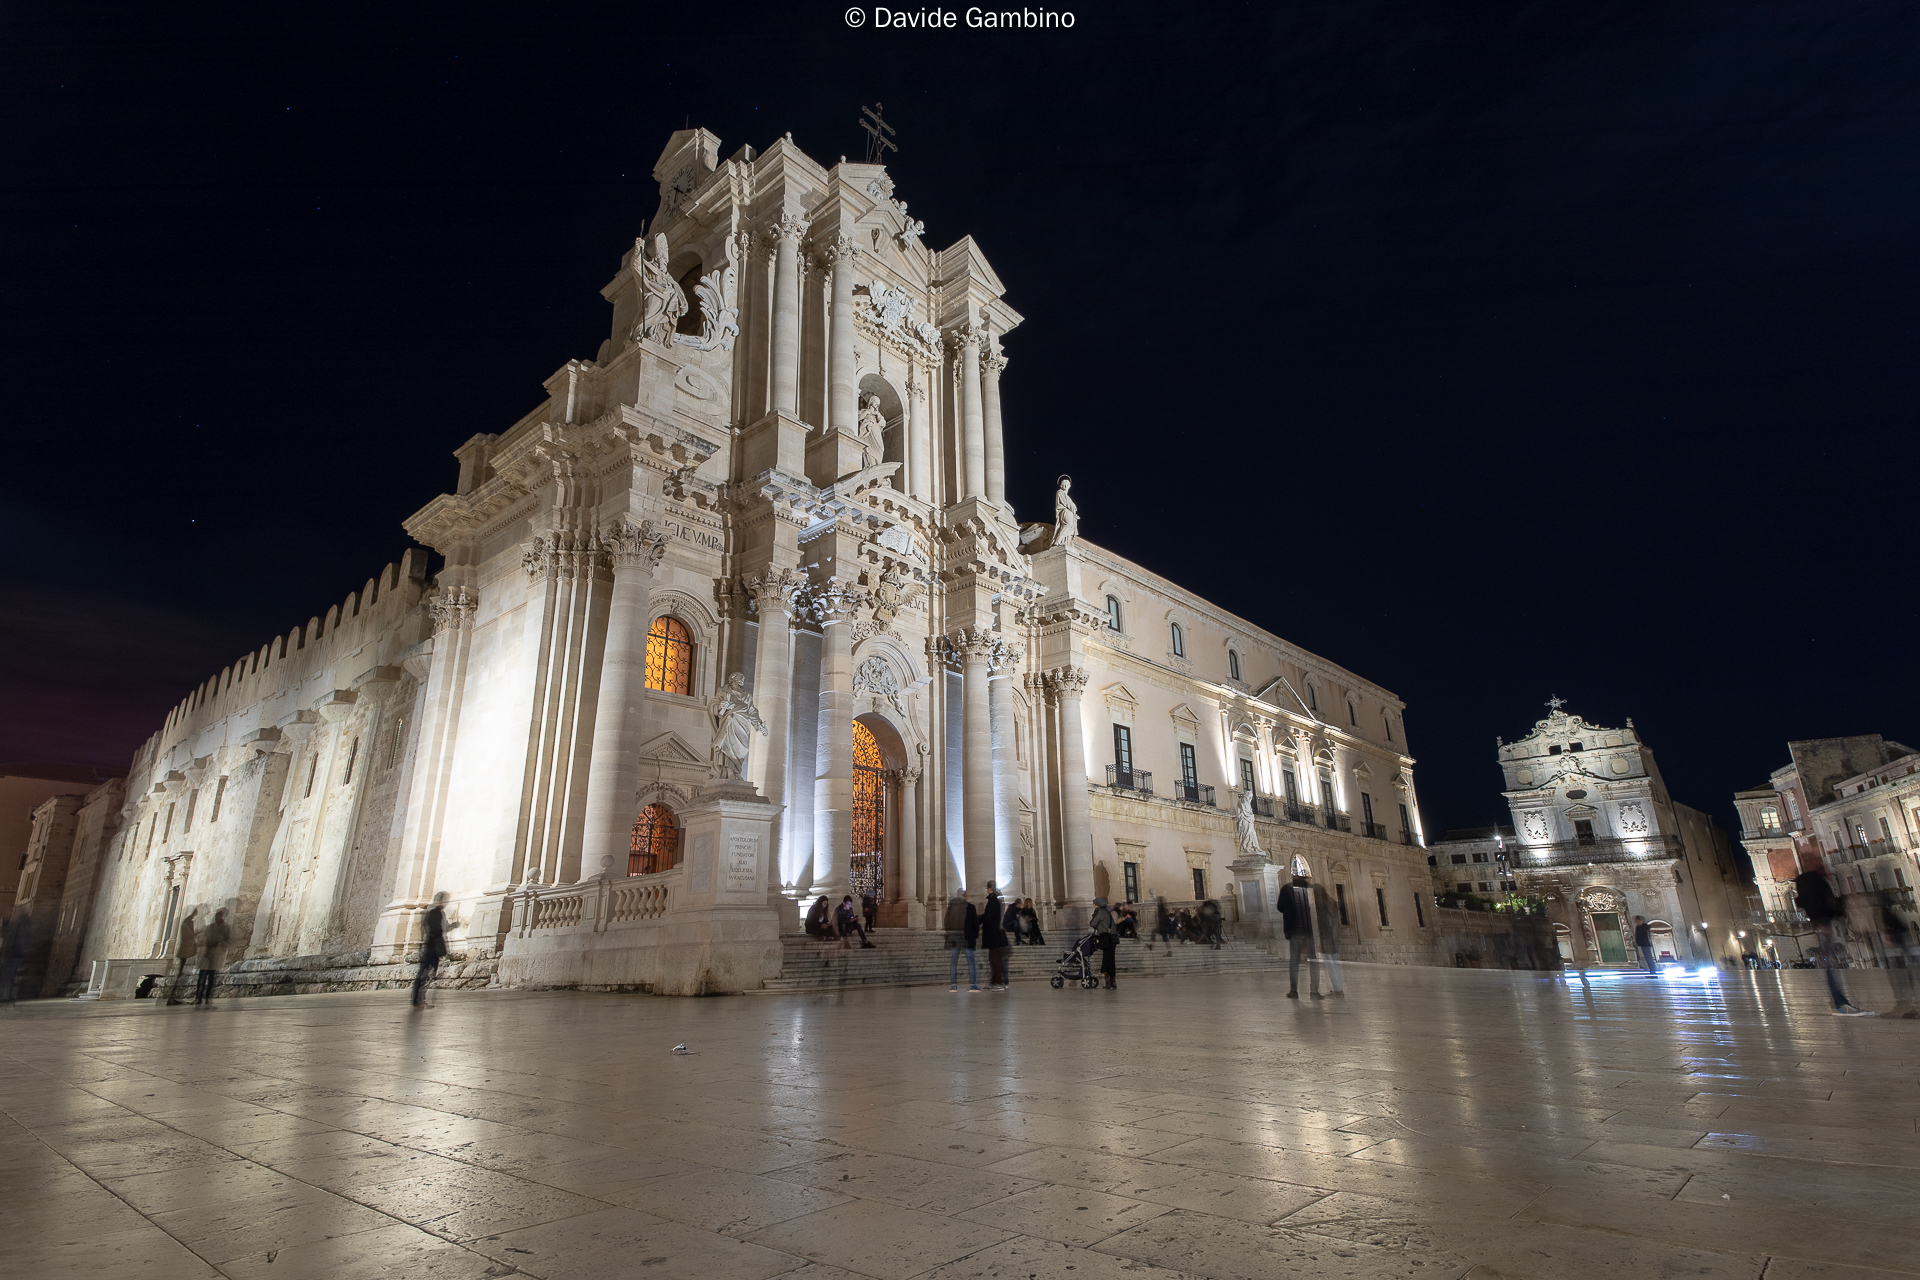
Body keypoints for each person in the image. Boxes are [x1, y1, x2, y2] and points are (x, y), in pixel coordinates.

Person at [1794, 866, 1870, 1015]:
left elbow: (1813, 901)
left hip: (1825, 921)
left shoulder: (1814, 880)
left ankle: (1841, 1003)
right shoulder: (1811, 880)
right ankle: (1840, 1004)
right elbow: (1811, 901)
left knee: (1833, 964)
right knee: (1831, 964)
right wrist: (1820, 921)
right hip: (1824, 923)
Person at [1875, 890, 1918, 1019]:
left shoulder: (1887, 913)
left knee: (1902, 977)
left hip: (1899, 955)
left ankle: (1906, 1005)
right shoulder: (1888, 912)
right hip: (1902, 954)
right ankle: (1909, 1006)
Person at [1278, 872, 1320, 999]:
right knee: (1313, 961)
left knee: (1294, 961)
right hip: (1307, 931)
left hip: (1294, 931)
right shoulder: (1308, 890)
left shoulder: (1286, 889)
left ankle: (1294, 990)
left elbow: (1280, 907)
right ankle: (1314, 991)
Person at [412, 891, 450, 1009]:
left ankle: (418, 1000)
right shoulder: (436, 913)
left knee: (425, 973)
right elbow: (436, 930)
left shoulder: (431, 912)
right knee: (426, 973)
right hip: (432, 947)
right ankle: (418, 1000)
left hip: (430, 946)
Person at [1311, 879, 1345, 997]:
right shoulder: (1333, 903)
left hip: (1326, 939)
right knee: (1335, 964)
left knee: (1330, 965)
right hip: (1335, 938)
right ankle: (1339, 989)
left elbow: (1322, 923)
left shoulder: (1321, 907)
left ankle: (1338, 990)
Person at [194, 907, 231, 1006]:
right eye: (217, 915)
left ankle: (207, 997)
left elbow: (227, 941)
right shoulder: (210, 927)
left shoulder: (226, 928)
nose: (217, 917)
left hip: (216, 955)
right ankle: (198, 997)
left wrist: (220, 944)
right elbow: (204, 939)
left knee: (211, 977)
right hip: (207, 954)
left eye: (220, 915)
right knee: (202, 977)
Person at [945, 892, 979, 992]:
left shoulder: (951, 907)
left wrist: (950, 934)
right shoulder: (970, 907)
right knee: (970, 962)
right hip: (967, 938)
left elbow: (946, 922)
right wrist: (975, 936)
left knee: (954, 962)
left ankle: (953, 986)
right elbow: (975, 923)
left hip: (954, 938)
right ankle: (972, 985)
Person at [167, 907, 199, 1005]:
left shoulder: (188, 921)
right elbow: (187, 935)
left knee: (180, 973)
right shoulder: (187, 922)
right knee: (179, 974)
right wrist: (197, 933)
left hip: (186, 950)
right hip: (185, 950)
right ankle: (172, 997)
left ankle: (173, 997)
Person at [0, 907, 32, 1007]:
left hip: (15, 954)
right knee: (10, 976)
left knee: (9, 976)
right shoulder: (20, 924)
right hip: (14, 954)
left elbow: (14, 939)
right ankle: (7, 996)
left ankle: (7, 996)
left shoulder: (21, 925)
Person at [982, 884, 1010, 988]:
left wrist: (978, 920)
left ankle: (998, 981)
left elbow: (988, 916)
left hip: (993, 934)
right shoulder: (995, 900)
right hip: (993, 933)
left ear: (990, 889)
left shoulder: (993, 901)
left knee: (995, 958)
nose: (987, 890)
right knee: (993, 958)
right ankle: (994, 981)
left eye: (987, 888)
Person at [1090, 896, 1119, 989]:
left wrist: (1093, 915)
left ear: (1097, 904)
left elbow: (1093, 923)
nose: (1094, 906)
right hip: (1112, 937)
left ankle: (1111, 982)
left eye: (1094, 904)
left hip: (1107, 938)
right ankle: (1109, 981)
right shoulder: (1106, 911)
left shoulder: (1100, 911)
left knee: (1108, 959)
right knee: (1107, 958)